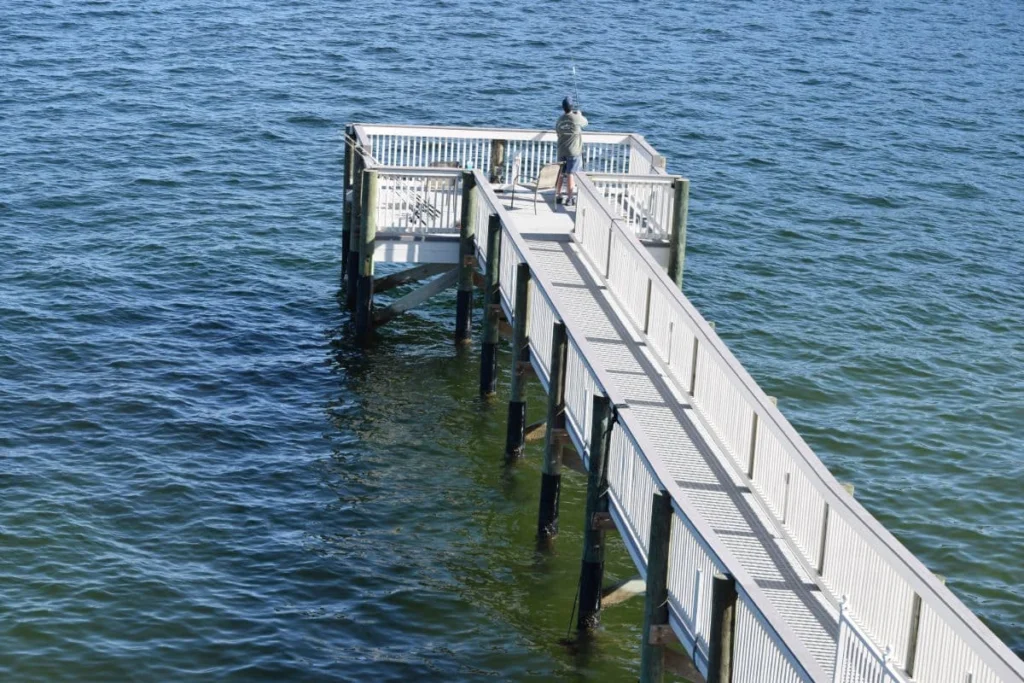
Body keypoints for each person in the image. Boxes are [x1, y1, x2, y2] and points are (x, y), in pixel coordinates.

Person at [555, 96, 588, 206]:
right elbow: (586, 123)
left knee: (560, 174)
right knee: (570, 174)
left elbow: (558, 131)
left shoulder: (559, 120)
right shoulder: (576, 118)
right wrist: (579, 114)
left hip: (561, 151)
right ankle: (570, 198)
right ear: (572, 107)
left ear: (563, 107)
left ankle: (558, 195)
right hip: (573, 152)